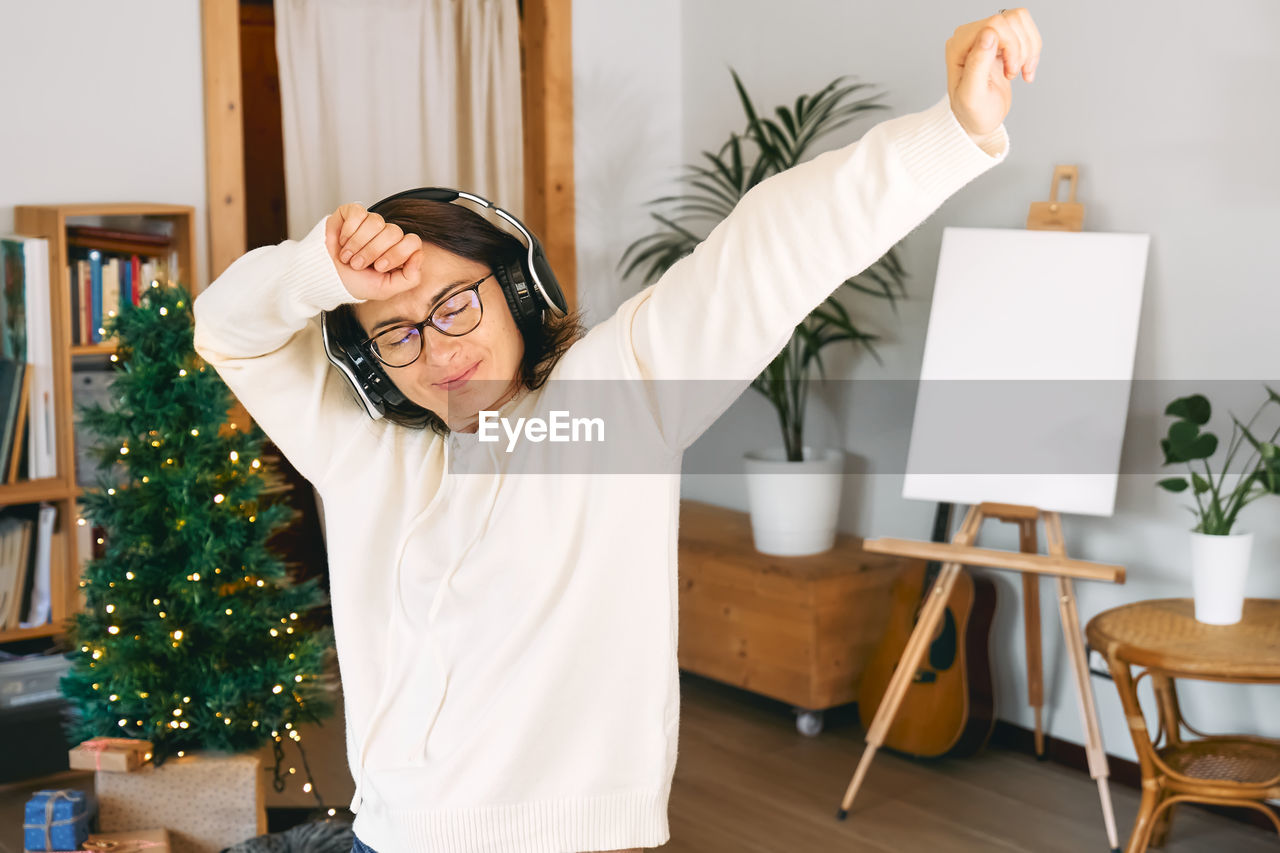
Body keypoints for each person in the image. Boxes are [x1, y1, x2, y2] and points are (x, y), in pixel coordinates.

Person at [193, 10, 1040, 852]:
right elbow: (225, 327)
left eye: (453, 303)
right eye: (399, 332)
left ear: (520, 290)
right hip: (392, 836)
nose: (436, 348)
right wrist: (320, 268)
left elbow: (777, 244)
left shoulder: (614, 399)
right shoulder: (362, 448)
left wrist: (955, 129)